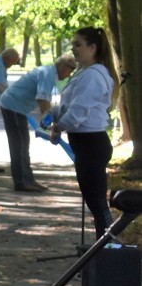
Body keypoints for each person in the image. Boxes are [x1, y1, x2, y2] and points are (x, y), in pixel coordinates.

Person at [51, 27, 118, 238]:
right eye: (73, 45)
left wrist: (58, 126)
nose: (74, 49)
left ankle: (109, 250)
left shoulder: (93, 76)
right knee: (95, 204)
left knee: (99, 206)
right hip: (85, 143)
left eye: (78, 44)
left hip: (91, 144)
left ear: (92, 47)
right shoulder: (86, 73)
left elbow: (78, 112)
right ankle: (104, 251)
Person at [0, 54, 77, 192]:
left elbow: (45, 100)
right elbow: (42, 99)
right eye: (70, 70)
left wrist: (49, 119)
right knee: (19, 145)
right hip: (13, 106)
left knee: (23, 143)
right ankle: (22, 182)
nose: (69, 74)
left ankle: (27, 180)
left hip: (16, 106)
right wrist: (49, 123)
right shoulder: (47, 74)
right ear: (62, 66)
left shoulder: (48, 72)